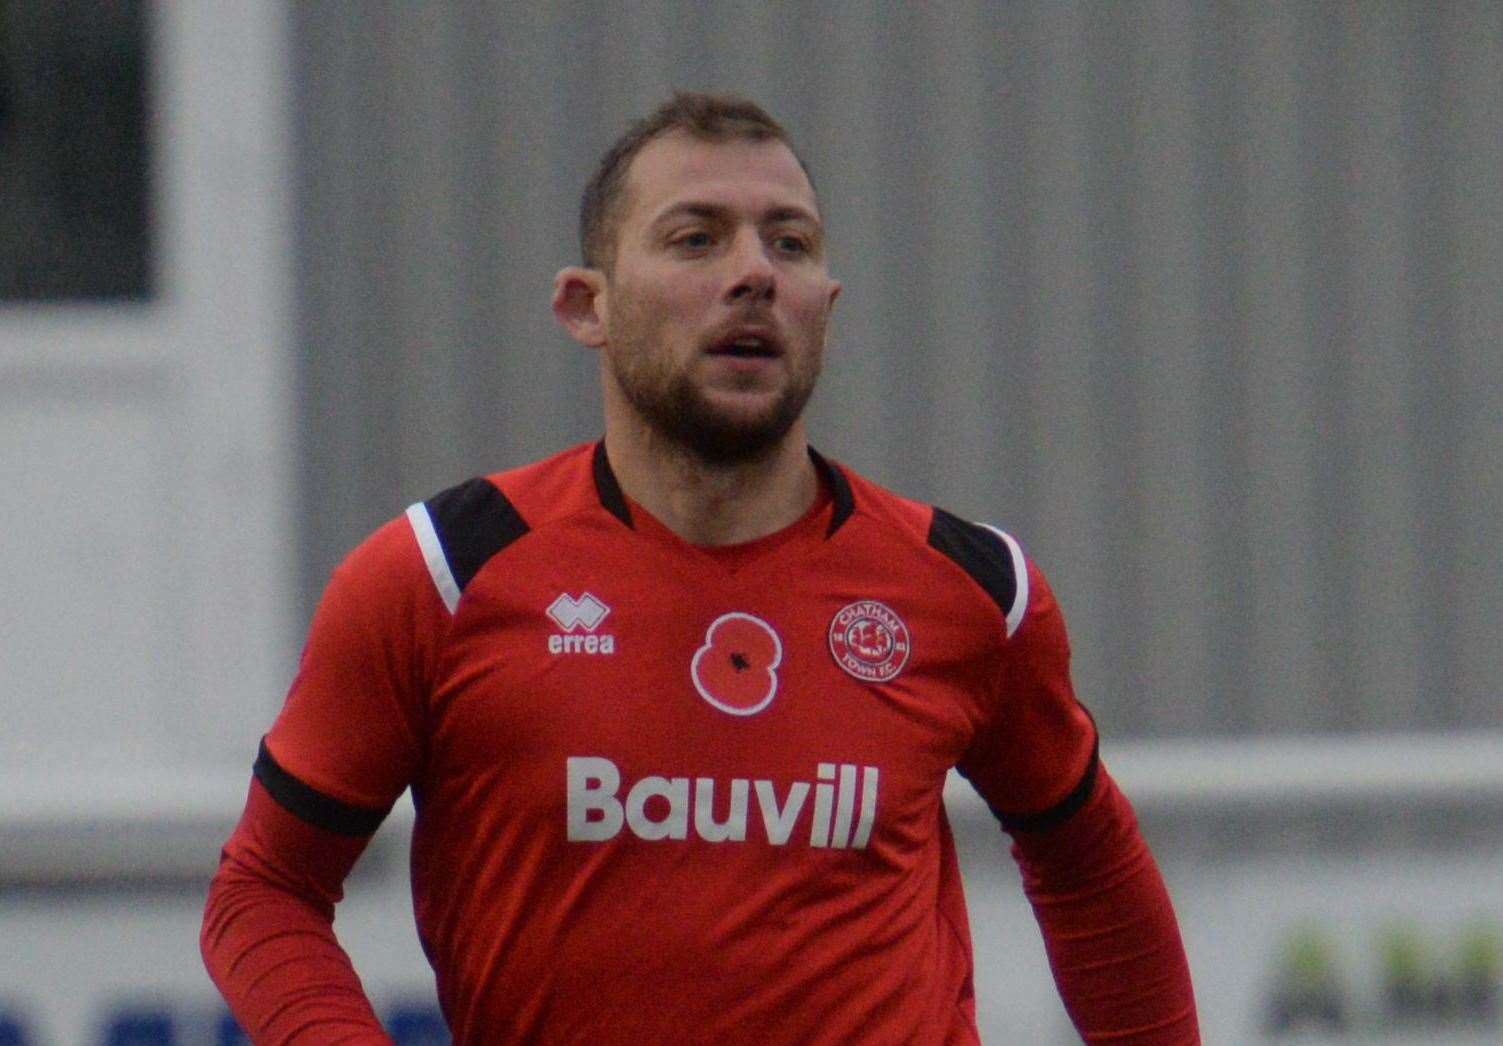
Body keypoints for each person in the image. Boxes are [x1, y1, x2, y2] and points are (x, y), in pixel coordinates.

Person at [201, 91, 1199, 1044]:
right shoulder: (440, 576)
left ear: (826, 303)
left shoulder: (970, 589)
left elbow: (1092, 869)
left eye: (790, 242)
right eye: (696, 238)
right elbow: (263, 892)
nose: (755, 271)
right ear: (586, 304)